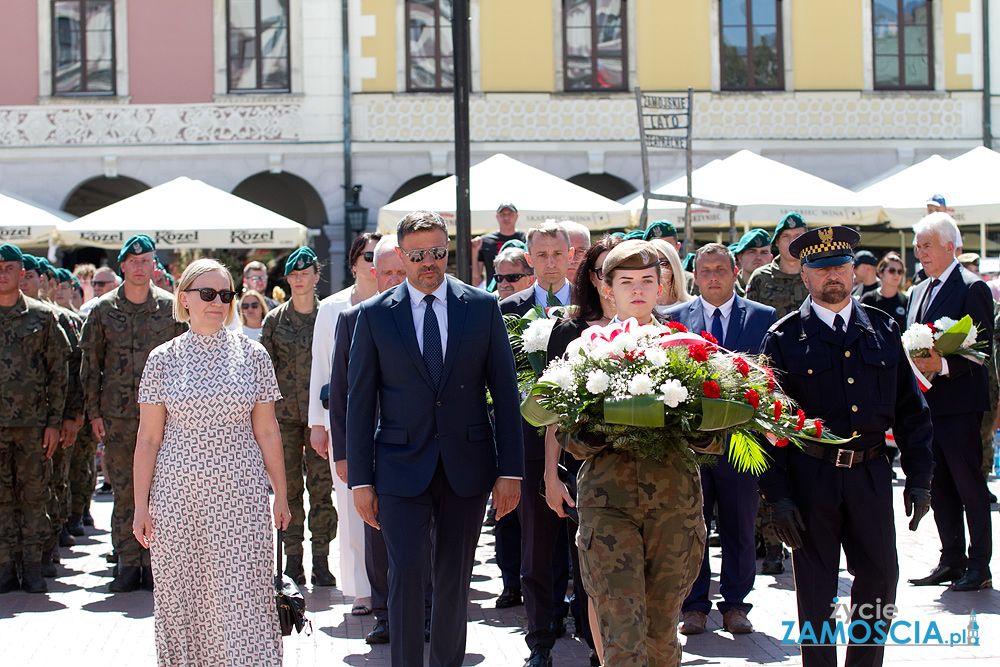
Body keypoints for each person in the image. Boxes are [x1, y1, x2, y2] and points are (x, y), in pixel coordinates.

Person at [347, 210, 523, 667]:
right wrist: (360, 481)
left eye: (438, 252)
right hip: (399, 468)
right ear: (401, 257)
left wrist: (511, 471)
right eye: (419, 254)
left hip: (468, 466)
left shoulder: (481, 307)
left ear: (449, 251)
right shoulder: (372, 317)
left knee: (452, 579)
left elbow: (505, 394)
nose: (430, 262)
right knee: (405, 573)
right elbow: (360, 404)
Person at [759, 226, 934, 667]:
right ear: (805, 277)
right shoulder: (783, 339)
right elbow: (770, 427)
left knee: (880, 578)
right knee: (816, 588)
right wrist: (776, 498)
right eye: (821, 269)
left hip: (870, 474)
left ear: (854, 272)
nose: (832, 276)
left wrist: (920, 478)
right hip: (811, 477)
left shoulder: (882, 329)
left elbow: (911, 411)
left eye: (839, 266)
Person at [132, 258, 291, 667]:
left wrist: (282, 495)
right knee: (182, 598)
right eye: (207, 294)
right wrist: (140, 507)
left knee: (243, 599)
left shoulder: (253, 355)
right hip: (176, 499)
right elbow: (148, 438)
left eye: (225, 294)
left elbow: (269, 431)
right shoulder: (162, 359)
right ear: (184, 299)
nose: (217, 302)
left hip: (240, 497)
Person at [559, 240, 706, 666]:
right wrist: (615, 422)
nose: (637, 290)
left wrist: (689, 419)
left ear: (663, 287)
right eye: (626, 282)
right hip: (609, 508)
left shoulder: (689, 348)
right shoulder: (585, 351)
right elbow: (573, 441)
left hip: (674, 505)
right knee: (621, 635)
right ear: (608, 289)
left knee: (662, 634)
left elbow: (714, 440)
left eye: (647, 281)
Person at [668, 243, 777, 637]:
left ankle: (735, 605)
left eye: (720, 269)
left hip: (740, 443)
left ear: (736, 273)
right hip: (692, 446)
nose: (713, 277)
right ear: (694, 276)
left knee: (739, 525)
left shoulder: (764, 318)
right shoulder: (674, 318)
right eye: (705, 270)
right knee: (692, 525)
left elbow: (770, 378)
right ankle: (694, 605)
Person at [322, 234, 425, 645]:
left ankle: (429, 610)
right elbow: (342, 395)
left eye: (403, 271)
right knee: (378, 534)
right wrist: (346, 456)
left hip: (428, 446)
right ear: (374, 274)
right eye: (387, 273)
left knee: (429, 536)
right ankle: (384, 612)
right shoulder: (355, 318)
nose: (396, 279)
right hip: (379, 452)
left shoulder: (435, 314)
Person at [80, 234, 188, 592]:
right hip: (119, 417)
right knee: (125, 491)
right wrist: (94, 412)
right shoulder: (103, 309)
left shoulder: (172, 308)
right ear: (122, 266)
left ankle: (157, 564)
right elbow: (90, 365)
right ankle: (128, 563)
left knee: (163, 492)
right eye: (134, 261)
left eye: (147, 261)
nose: (141, 267)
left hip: (164, 418)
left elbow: (184, 362)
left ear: (153, 265)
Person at [498, 221, 576, 666]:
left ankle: (588, 629)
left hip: (582, 444)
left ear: (570, 256)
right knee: (536, 549)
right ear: (529, 259)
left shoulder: (588, 309)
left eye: (557, 254)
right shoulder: (507, 310)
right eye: (540, 254)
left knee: (584, 541)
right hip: (529, 444)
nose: (549, 261)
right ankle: (540, 639)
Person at [542, 235, 620, 667]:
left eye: (622, 273)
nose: (612, 282)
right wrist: (551, 477)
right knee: (593, 575)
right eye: (603, 272)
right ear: (589, 278)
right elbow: (554, 412)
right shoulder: (569, 332)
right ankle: (600, 654)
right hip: (584, 473)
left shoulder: (659, 328)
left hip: (647, 474)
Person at [905, 213, 994, 592]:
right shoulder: (918, 290)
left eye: (926, 245)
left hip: (959, 405)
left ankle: (980, 565)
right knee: (938, 485)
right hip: (926, 406)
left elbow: (984, 347)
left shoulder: (972, 287)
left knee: (969, 485)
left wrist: (941, 363)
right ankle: (951, 559)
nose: (920, 253)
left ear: (948, 246)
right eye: (918, 247)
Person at [306, 230, 383, 618]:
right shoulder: (333, 309)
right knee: (352, 506)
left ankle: (394, 584)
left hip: (392, 420)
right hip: (345, 422)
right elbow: (321, 368)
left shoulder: (398, 303)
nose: (373, 263)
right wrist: (318, 424)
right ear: (353, 263)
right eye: (367, 257)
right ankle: (361, 589)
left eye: (379, 256)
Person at [260, 246, 337, 587]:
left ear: (316, 277)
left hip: (320, 416)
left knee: (322, 489)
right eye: (294, 275)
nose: (300, 280)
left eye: (306, 274)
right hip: (284, 419)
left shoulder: (330, 316)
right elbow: (263, 372)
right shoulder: (274, 320)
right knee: (287, 490)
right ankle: (293, 561)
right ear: (288, 279)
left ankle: (321, 559)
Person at [0, 244, 72, 594]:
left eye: (10, 268)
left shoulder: (42, 317)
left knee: (33, 496)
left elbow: (59, 373)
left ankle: (32, 567)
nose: (3, 274)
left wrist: (56, 423)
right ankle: (3, 567)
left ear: (20, 273)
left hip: (33, 425)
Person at [744, 212, 810, 575]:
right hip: (769, 374)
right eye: (789, 236)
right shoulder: (762, 278)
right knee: (767, 460)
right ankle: (770, 545)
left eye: (801, 235)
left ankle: (800, 535)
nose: (794, 241)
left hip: (806, 375)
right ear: (778, 241)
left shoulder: (812, 272)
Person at [472, 202, 526, 287]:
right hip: (495, 291)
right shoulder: (485, 241)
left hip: (521, 290)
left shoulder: (526, 239)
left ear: (517, 216)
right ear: (497, 216)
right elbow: (476, 275)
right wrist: (474, 251)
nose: (506, 218)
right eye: (503, 214)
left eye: (510, 214)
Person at [644, 220, 697, 295]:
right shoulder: (639, 284)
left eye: (667, 245)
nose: (661, 249)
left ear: (677, 247)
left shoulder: (691, 282)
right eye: (655, 245)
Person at [859, 252, 907, 330]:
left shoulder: (906, 301)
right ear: (881, 272)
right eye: (892, 270)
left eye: (900, 271)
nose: (896, 274)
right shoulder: (869, 299)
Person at [648, 238, 693, 312]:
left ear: (674, 266)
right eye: (649, 264)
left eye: (662, 263)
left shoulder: (692, 307)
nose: (655, 269)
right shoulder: (634, 309)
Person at [729, 229, 773, 297]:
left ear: (771, 258)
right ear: (740, 256)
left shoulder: (779, 287)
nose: (758, 257)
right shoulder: (728, 289)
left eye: (764, 253)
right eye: (752, 252)